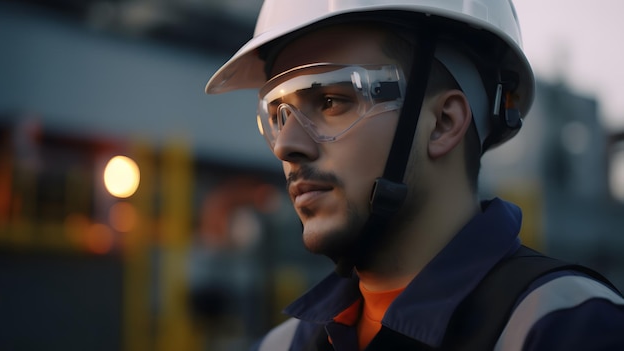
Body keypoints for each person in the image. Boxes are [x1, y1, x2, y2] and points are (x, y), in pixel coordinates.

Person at [205, 1, 624, 350]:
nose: (286, 145)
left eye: (332, 100)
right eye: (278, 115)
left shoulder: (567, 327)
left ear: (442, 123)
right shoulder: (286, 344)